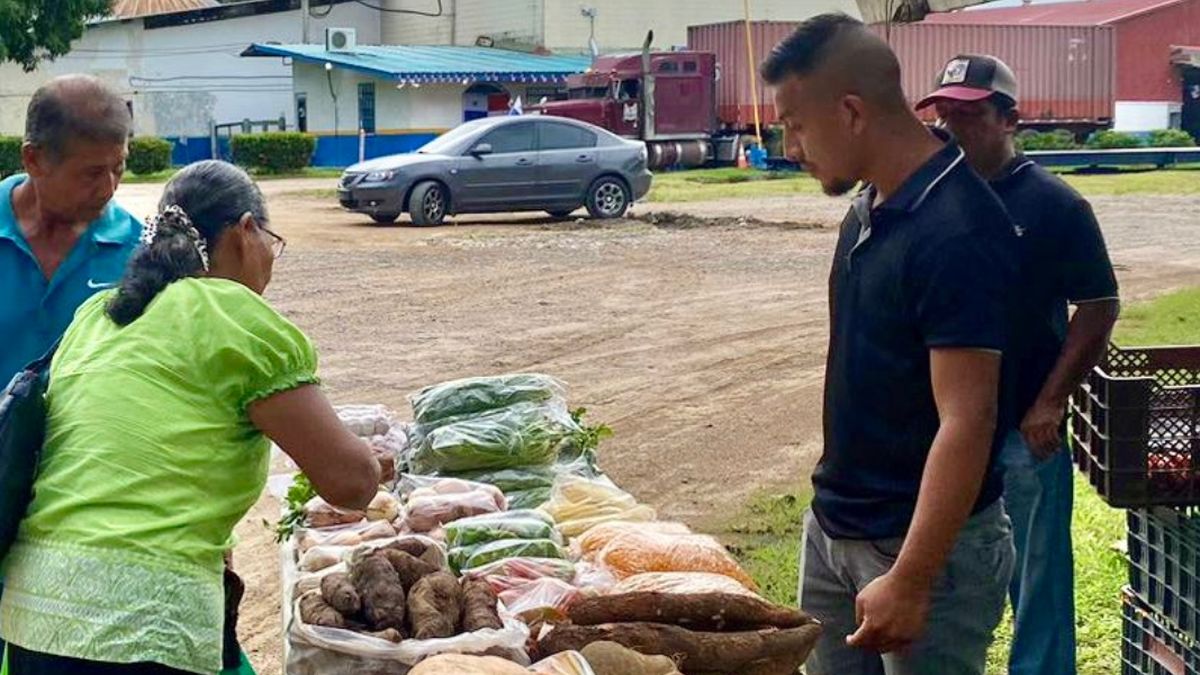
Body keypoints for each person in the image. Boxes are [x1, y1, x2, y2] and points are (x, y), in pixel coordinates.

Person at [0, 160, 382, 675]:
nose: (271, 257)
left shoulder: (100, 314)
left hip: (33, 618)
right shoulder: (235, 316)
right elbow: (350, 484)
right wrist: (379, 460)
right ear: (247, 231)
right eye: (272, 239)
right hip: (142, 625)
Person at [760, 14, 1019, 674]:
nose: (790, 146)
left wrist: (911, 576)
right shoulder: (868, 207)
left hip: (921, 551)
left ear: (850, 111)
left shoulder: (958, 228)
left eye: (795, 124)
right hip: (836, 528)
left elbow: (969, 418)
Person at [917, 55, 1120, 675]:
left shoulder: (1055, 205)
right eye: (946, 114)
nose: (954, 128)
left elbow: (1099, 305)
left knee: (1037, 581)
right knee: (934, 565)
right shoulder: (931, 200)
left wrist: (1051, 401)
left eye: (972, 115)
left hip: (1021, 430)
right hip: (945, 431)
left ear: (1011, 119)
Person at [0, 74, 141, 665]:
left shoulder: (136, 252)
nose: (109, 188)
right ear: (34, 159)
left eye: (120, 168)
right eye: (91, 172)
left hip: (73, 510)